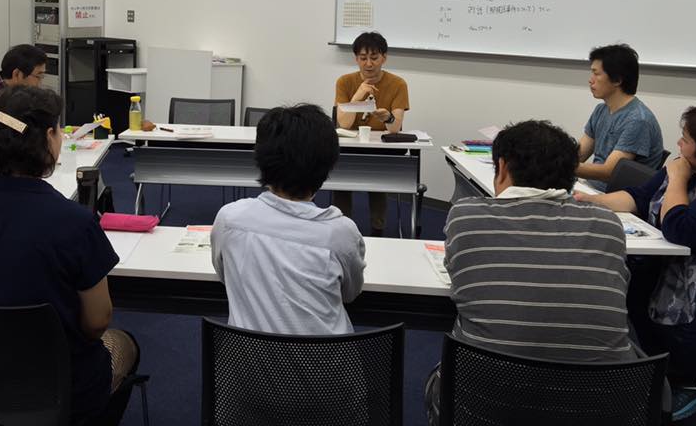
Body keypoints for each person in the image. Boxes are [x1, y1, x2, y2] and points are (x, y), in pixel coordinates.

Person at [0, 86, 140, 426]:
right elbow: (97, 322)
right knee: (124, 343)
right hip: (55, 390)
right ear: (48, 138)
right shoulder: (74, 222)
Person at [425, 120, 633, 426]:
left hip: (486, 408)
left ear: (502, 168)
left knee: (436, 376)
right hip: (599, 410)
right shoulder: (607, 224)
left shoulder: (466, 216)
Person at [575, 105, 696, 421]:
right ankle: (673, 368)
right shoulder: (692, 168)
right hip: (693, 267)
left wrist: (676, 178)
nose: (678, 144)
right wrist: (591, 202)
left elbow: (680, 228)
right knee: (634, 293)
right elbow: (639, 197)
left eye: (685, 139)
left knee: (676, 315)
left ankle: (695, 380)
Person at [211, 104, 366, 335]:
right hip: (326, 358)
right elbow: (350, 294)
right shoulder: (341, 233)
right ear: (327, 166)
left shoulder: (229, 219)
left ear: (260, 158)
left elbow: (224, 275)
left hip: (246, 358)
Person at [334, 31, 409, 235]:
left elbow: (395, 127)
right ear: (356, 59)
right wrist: (357, 96)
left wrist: (387, 118)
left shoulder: (398, 84)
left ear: (384, 57)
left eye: (374, 58)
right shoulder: (344, 82)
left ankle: (378, 227)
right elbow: (344, 123)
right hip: (349, 147)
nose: (368, 64)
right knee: (340, 176)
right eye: (363, 58)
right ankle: (341, 226)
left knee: (377, 178)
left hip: (381, 149)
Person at [577, 43, 664, 189]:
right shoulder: (601, 110)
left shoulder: (638, 120)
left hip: (613, 195)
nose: (590, 80)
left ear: (617, 80)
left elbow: (609, 172)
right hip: (590, 187)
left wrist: (560, 166)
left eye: (596, 74)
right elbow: (579, 154)